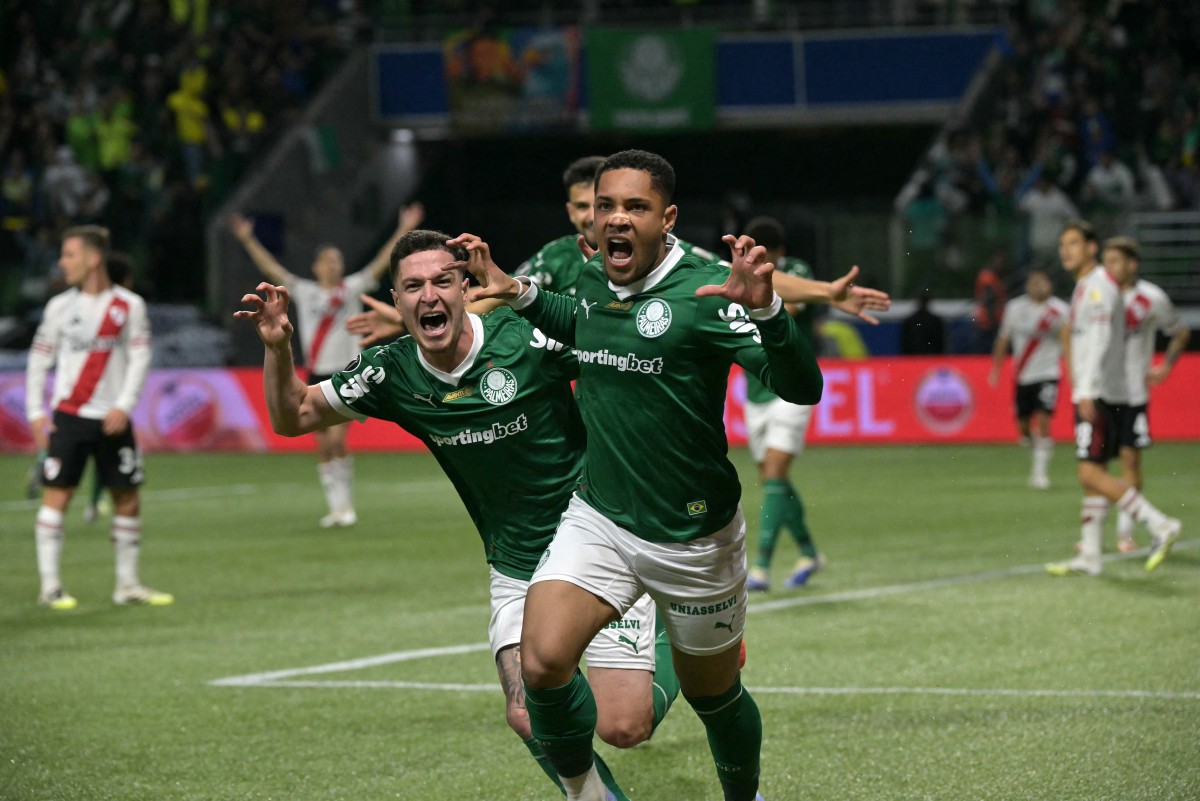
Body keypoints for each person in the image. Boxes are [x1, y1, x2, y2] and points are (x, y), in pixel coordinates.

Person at [235, 229, 680, 801]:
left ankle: (678, 637)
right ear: (397, 302)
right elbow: (293, 415)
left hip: (596, 543)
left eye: (443, 281)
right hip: (517, 561)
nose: (429, 296)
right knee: (525, 714)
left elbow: (625, 354)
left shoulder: (526, 337)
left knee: (624, 727)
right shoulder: (391, 370)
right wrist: (277, 348)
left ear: (465, 288)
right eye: (413, 286)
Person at [462, 149, 823, 801]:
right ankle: (586, 793)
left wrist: (769, 313)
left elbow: (802, 386)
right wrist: (519, 293)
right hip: (600, 516)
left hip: (694, 540)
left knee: (716, 697)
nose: (616, 218)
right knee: (541, 659)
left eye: (635, 206)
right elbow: (584, 323)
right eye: (606, 206)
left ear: (668, 218)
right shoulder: (594, 276)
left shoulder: (708, 289)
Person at [229, 203, 424, 528]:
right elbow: (272, 269)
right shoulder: (304, 292)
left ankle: (346, 507)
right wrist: (249, 240)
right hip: (317, 371)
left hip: (346, 370)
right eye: (329, 260)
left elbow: (380, 262)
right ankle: (336, 508)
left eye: (338, 260)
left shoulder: (350, 289)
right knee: (322, 445)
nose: (335, 264)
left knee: (336, 440)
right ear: (317, 266)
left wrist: (403, 227)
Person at [24, 226, 171, 610]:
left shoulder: (129, 305)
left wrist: (125, 404)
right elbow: (39, 359)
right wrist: (36, 413)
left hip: (113, 418)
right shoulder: (59, 307)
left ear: (93, 258)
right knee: (58, 496)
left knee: (128, 498)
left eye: (69, 254)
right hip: (70, 417)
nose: (62, 262)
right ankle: (50, 587)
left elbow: (140, 358)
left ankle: (127, 585)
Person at [1045, 220, 1181, 577]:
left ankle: (1159, 524)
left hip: (1101, 392)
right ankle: (1090, 554)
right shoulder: (1091, 286)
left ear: (1092, 247)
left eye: (1074, 243)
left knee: (1090, 471)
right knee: (1093, 475)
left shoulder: (1097, 288)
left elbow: (1102, 338)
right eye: (1063, 244)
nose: (1066, 251)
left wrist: (1086, 388)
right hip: (1108, 390)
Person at [739, 216, 824, 593]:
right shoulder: (740, 276)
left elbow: (783, 313)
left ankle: (760, 567)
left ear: (777, 253)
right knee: (773, 480)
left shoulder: (797, 271)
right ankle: (809, 552)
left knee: (773, 474)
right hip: (755, 390)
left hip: (790, 389)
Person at [1102, 236, 1191, 553]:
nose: (1109, 267)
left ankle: (1125, 533)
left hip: (1133, 393)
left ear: (1132, 264)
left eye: (1115, 261)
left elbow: (1180, 332)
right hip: (1101, 390)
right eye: (1106, 260)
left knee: (1130, 462)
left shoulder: (1151, 297)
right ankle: (1090, 539)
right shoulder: (1097, 294)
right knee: (1093, 467)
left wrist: (1165, 366)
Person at [987, 269, 1070, 490]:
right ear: (1028, 286)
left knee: (1044, 419)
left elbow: (1068, 342)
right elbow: (1003, 339)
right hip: (1023, 374)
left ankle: (1040, 473)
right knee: (1023, 428)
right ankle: (1037, 448)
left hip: (1048, 373)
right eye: (1035, 283)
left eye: (1043, 283)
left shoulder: (1059, 310)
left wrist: (1072, 370)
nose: (1039, 287)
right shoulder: (1015, 308)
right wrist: (995, 369)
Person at [900, 288, 945, 355]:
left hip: (915, 358)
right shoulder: (935, 321)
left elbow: (905, 345)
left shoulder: (910, 321)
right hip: (930, 358)